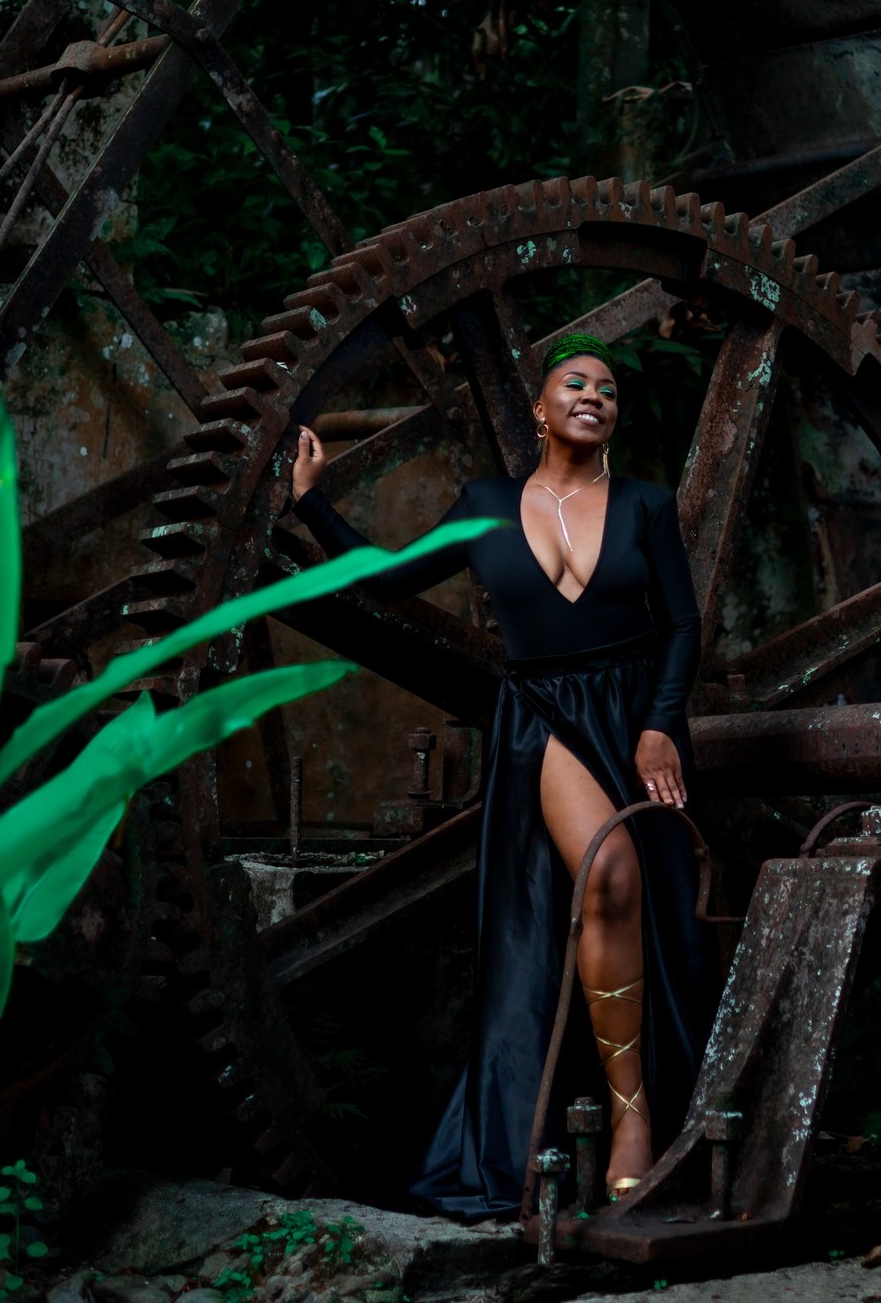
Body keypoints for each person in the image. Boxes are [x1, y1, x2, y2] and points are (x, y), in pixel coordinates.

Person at [290, 331, 707, 1217]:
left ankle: (639, 1117)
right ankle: (629, 1118)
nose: (592, 396)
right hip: (543, 716)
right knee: (609, 875)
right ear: (539, 409)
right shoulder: (485, 503)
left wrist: (658, 728)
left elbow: (680, 624)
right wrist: (311, 502)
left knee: (642, 907)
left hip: (632, 713)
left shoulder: (645, 505)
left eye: (607, 389)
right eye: (574, 383)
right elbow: (388, 579)